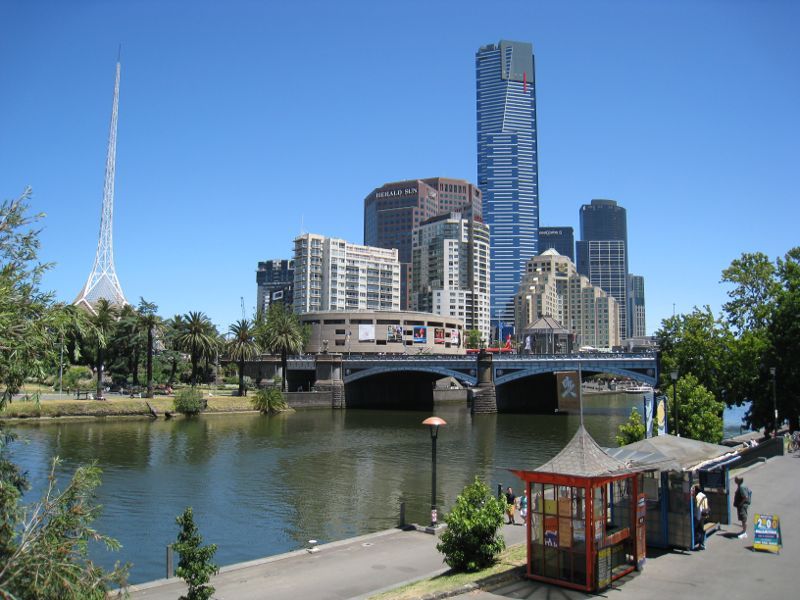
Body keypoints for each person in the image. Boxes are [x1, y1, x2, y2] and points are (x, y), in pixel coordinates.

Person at [693, 485, 709, 550]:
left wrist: (698, 518)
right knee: (702, 530)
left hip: (700, 516)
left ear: (696, 490)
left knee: (699, 530)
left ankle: (700, 543)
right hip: (704, 514)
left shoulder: (698, 497)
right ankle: (702, 543)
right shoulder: (703, 495)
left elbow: (699, 509)